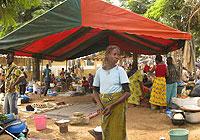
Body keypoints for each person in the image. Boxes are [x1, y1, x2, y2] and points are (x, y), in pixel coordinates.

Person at [93, 45, 131, 140]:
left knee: (117, 131)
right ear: (107, 55)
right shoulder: (99, 72)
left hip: (117, 107)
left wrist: (112, 105)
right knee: (106, 130)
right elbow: (95, 90)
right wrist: (100, 105)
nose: (117, 57)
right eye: (114, 54)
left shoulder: (120, 71)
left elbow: (127, 92)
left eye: (118, 55)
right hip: (105, 108)